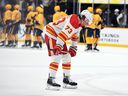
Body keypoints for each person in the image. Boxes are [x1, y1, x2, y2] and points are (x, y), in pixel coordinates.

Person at [43, 10, 91, 90]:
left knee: (66, 56)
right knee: (56, 56)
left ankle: (66, 79)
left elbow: (75, 36)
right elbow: (63, 35)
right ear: (83, 18)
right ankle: (50, 80)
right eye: (87, 21)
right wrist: (58, 45)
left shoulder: (79, 24)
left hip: (58, 35)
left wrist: (73, 47)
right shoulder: (74, 21)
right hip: (51, 32)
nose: (87, 24)